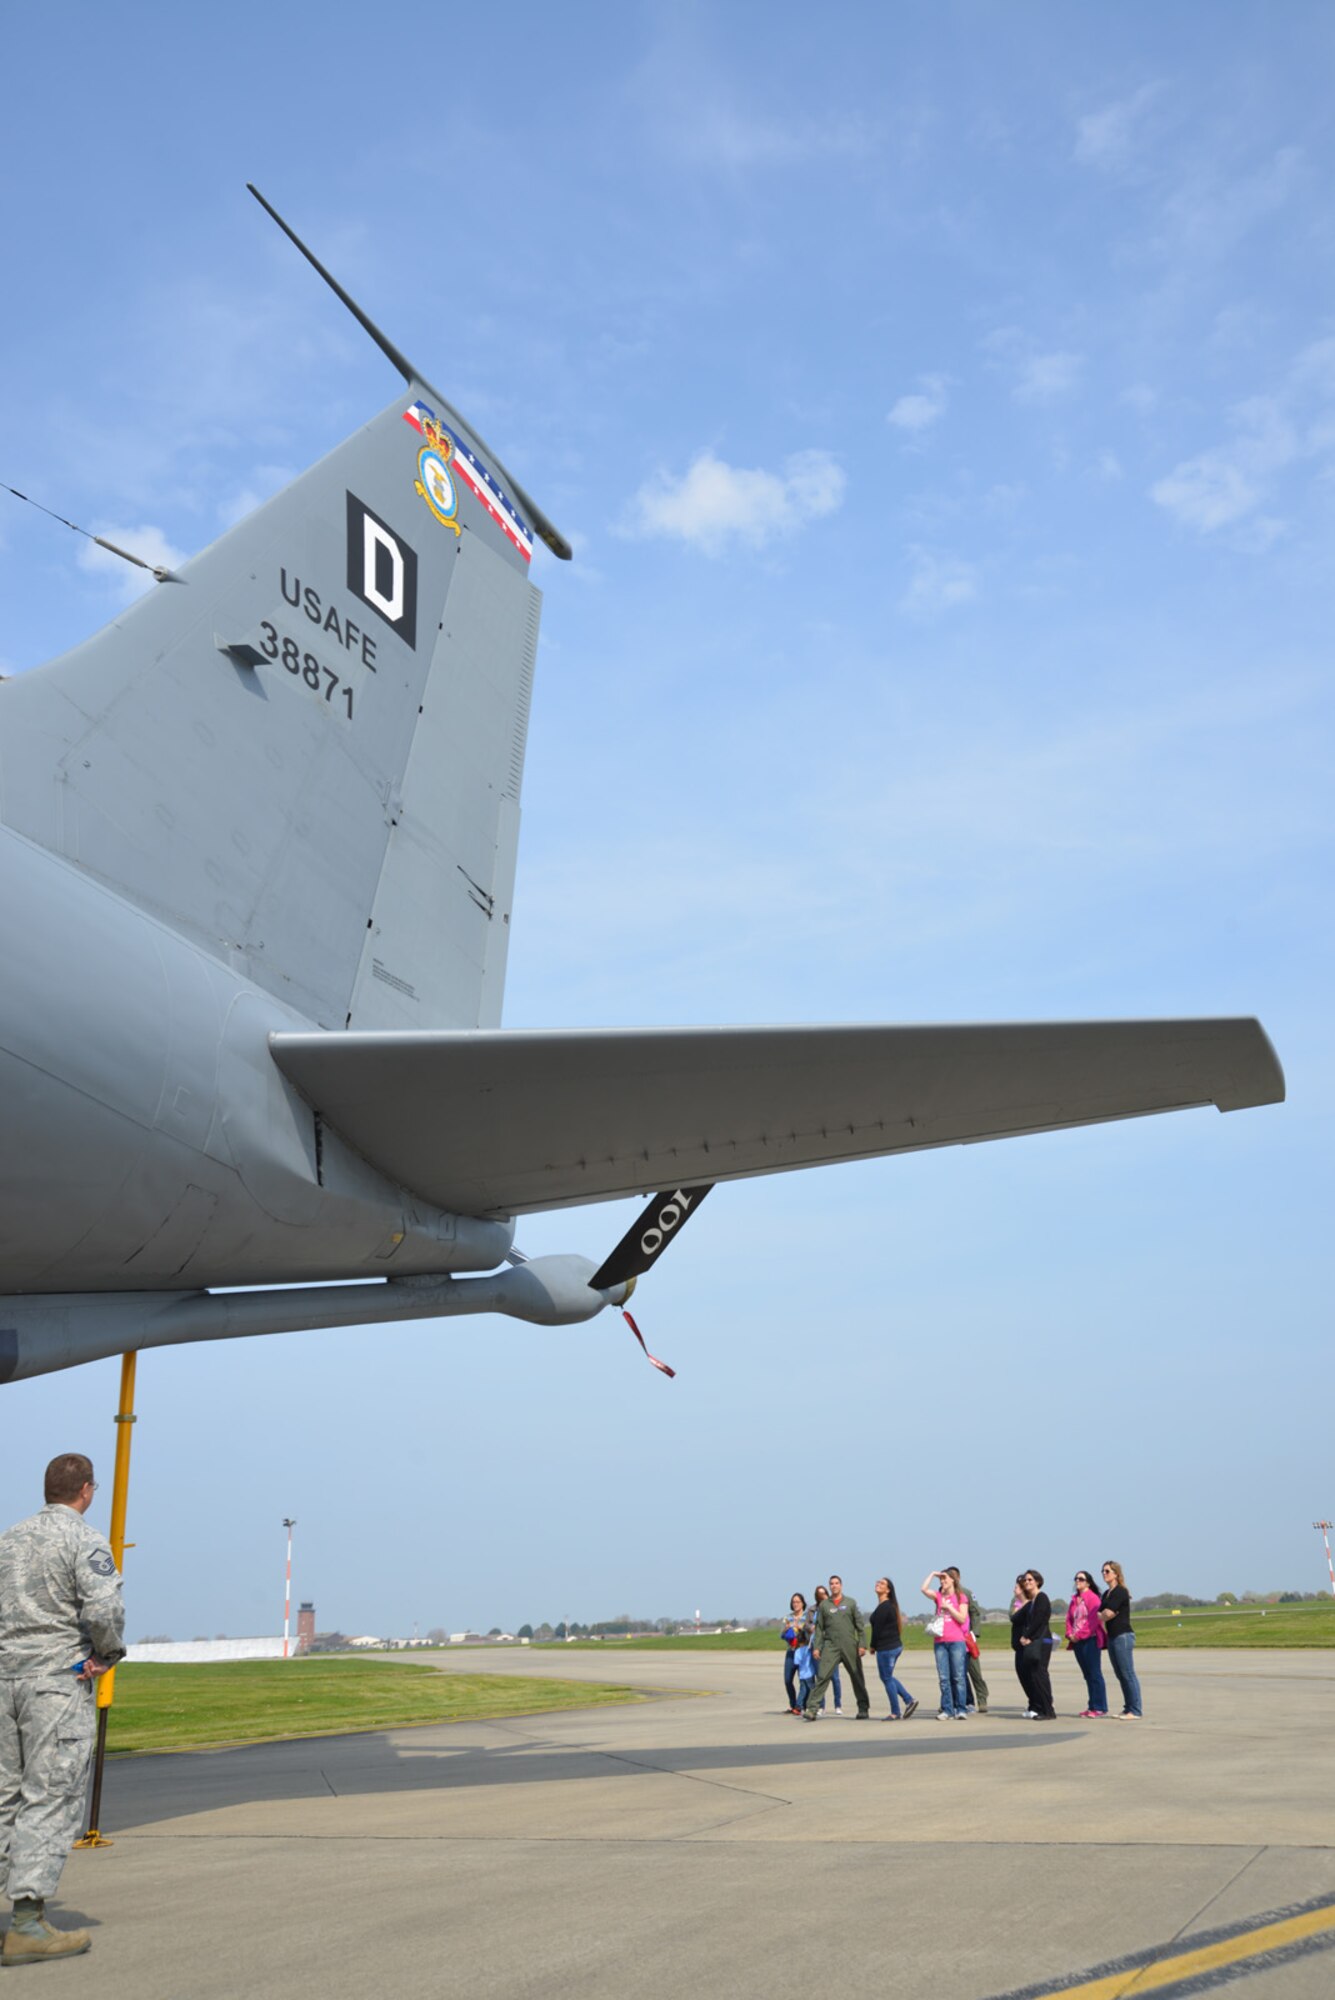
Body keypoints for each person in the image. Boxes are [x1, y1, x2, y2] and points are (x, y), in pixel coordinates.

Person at [0, 1453, 125, 1966]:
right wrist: (106, 1654)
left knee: (4, 1794)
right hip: (56, 1682)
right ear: (87, 1490)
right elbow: (103, 1609)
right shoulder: (84, 1540)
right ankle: (27, 1923)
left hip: (5, 1679)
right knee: (50, 1795)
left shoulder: (9, 1541)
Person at [802, 1575, 871, 1721]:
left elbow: (860, 1626)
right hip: (830, 1645)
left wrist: (862, 1644)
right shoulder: (824, 1605)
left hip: (849, 1645)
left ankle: (863, 1708)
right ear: (829, 1586)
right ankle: (812, 1709)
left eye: (836, 1583)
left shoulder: (850, 1603)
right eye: (831, 1584)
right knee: (822, 1676)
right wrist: (817, 1647)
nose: (834, 1586)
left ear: (841, 1585)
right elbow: (820, 1629)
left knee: (857, 1676)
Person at [920, 1569, 970, 1719]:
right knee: (944, 1678)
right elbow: (923, 1589)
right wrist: (932, 1574)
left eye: (945, 1579)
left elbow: (962, 1618)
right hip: (940, 1642)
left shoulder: (961, 1597)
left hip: (956, 1641)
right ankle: (947, 1709)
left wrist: (949, 1608)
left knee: (958, 1677)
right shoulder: (938, 1596)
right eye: (941, 1580)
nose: (942, 1582)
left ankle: (961, 1709)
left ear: (953, 1580)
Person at [868, 1577, 918, 1719]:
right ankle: (908, 1700)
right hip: (890, 1647)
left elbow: (877, 1630)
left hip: (887, 1648)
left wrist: (872, 1646)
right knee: (887, 1677)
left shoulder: (885, 1606)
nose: (878, 1584)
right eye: (877, 1582)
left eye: (882, 1583)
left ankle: (897, 1710)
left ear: (888, 1590)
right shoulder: (886, 1606)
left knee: (887, 1678)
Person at [1099, 1560, 1143, 1718]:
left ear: (1116, 1573)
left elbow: (1107, 1614)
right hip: (1111, 1637)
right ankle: (1128, 1707)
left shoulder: (1120, 1591)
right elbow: (1102, 1614)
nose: (1104, 1574)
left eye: (1107, 1571)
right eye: (1103, 1571)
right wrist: (1104, 1614)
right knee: (1120, 1674)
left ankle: (1136, 1710)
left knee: (1127, 1673)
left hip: (1122, 1636)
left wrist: (1104, 1614)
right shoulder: (1106, 1594)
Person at [1013, 1568, 1055, 1718]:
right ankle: (1043, 1708)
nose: (1027, 1582)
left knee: (1040, 1675)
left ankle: (1048, 1710)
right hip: (1037, 1639)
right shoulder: (1033, 1601)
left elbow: (1040, 1620)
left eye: (1030, 1579)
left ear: (1037, 1582)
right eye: (1025, 1580)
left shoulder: (1042, 1597)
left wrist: (1027, 1636)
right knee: (1036, 1675)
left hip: (1042, 1641)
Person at [1066, 1569, 1109, 1717]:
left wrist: (1079, 1635)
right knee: (1087, 1675)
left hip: (1090, 1640)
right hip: (1077, 1641)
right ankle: (1092, 1706)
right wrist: (1070, 1634)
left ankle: (1100, 1707)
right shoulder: (1074, 1599)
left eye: (1081, 1579)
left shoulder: (1093, 1598)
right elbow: (1069, 1620)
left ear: (1088, 1583)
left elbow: (1093, 1621)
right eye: (1076, 1578)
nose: (1078, 1581)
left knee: (1094, 1674)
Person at [949, 1567, 989, 1714]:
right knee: (955, 1673)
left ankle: (982, 1699)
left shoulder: (966, 1593)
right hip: (952, 1638)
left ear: (958, 1578)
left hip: (967, 1638)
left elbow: (975, 1613)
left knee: (974, 1671)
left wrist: (974, 1633)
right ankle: (956, 1702)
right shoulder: (943, 1594)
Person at [809, 1584, 843, 1714]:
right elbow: (807, 1624)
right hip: (817, 1645)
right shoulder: (812, 1610)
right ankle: (821, 1705)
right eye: (819, 1594)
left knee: (835, 1677)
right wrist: (811, 1628)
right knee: (820, 1677)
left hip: (830, 1645)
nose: (822, 1596)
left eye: (823, 1593)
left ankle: (838, 1704)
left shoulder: (833, 1607)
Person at [781, 1593, 811, 1714]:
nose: (796, 1604)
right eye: (794, 1602)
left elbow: (810, 1632)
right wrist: (786, 1629)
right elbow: (782, 1635)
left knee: (803, 1680)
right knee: (788, 1680)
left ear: (803, 1603)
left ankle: (801, 1705)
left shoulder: (807, 1616)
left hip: (803, 1651)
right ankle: (793, 1703)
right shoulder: (787, 1617)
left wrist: (800, 1628)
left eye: (798, 1602)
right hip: (791, 1651)